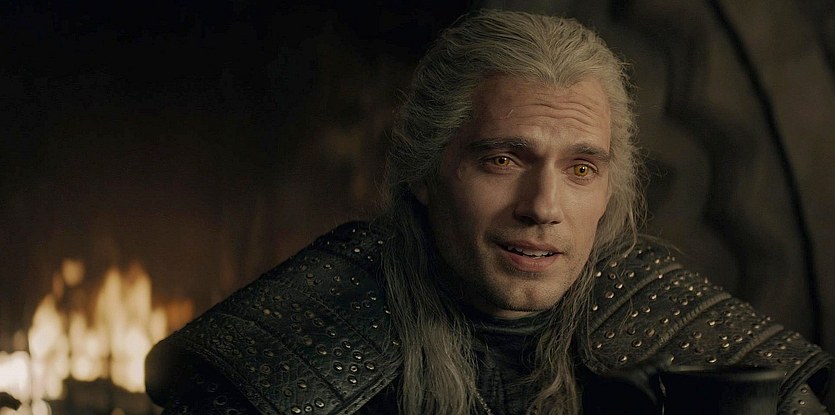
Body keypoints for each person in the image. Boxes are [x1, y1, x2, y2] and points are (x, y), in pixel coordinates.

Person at [145, 9, 831, 414]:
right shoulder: (291, 344)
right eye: (502, 160)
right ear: (426, 171)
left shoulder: (668, 315)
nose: (543, 208)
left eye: (581, 169)